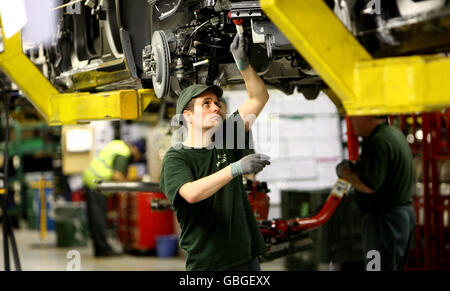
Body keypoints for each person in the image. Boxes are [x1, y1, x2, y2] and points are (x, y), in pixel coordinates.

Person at [160, 33, 271, 271]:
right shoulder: (177, 156)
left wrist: (243, 64)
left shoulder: (226, 136)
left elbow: (259, 97)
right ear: (187, 116)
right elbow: (190, 193)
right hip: (209, 264)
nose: (216, 107)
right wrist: (235, 168)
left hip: (247, 258)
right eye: (206, 103)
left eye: (217, 103)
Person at [336, 115, 415, 271]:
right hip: (402, 217)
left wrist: (344, 173)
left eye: (354, 115)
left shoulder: (377, 140)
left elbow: (369, 184)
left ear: (367, 116)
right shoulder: (393, 134)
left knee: (376, 268)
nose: (351, 121)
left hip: (384, 223)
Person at [82, 139, 145, 257]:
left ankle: (100, 249)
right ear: (135, 150)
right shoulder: (124, 152)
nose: (137, 159)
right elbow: (117, 175)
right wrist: (129, 184)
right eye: (139, 155)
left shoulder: (118, 145)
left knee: (95, 217)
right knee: (98, 218)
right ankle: (103, 249)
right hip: (96, 182)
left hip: (92, 179)